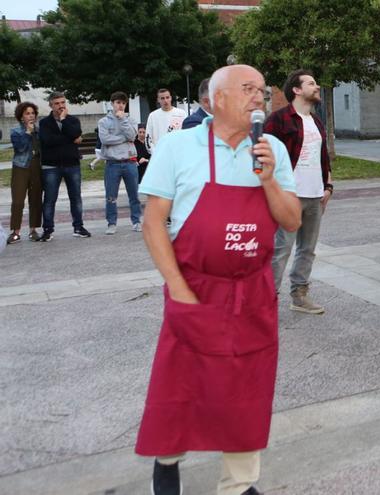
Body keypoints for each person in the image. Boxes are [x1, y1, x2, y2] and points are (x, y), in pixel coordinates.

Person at [135, 65, 301, 495]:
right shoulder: (178, 146)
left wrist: (267, 181)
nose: (259, 98)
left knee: (247, 385)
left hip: (251, 289)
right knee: (181, 380)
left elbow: (292, 221)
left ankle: (239, 483)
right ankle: (168, 461)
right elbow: (153, 222)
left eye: (262, 91)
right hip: (195, 285)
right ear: (217, 98)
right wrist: (176, 285)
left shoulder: (272, 149)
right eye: (247, 89)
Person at [266, 69, 333, 314]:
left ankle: (300, 295)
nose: (316, 87)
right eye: (311, 83)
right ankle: (267, 299)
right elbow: (265, 157)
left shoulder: (316, 121)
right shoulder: (278, 119)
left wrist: (328, 186)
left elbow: (322, 156)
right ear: (296, 89)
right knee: (280, 250)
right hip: (288, 196)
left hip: (315, 195)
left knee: (308, 249)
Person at [38, 91, 89, 241]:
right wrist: (70, 139)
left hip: (72, 164)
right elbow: (48, 141)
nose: (60, 106)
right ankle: (47, 230)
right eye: (57, 103)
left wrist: (64, 120)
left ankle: (78, 227)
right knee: (49, 199)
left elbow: (76, 133)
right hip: (51, 166)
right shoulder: (44, 123)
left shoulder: (72, 120)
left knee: (76, 197)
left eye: (62, 103)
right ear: (50, 105)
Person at [98, 91, 142, 234]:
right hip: (112, 163)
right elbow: (105, 140)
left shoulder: (131, 120)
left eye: (123, 103)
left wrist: (123, 121)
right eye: (118, 103)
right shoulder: (103, 122)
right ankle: (111, 223)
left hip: (129, 162)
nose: (120, 106)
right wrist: (124, 139)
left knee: (134, 195)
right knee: (111, 195)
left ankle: (136, 221)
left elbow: (132, 135)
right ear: (112, 104)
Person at [8, 102, 43, 244]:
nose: (31, 116)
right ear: (21, 117)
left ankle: (33, 230)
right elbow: (20, 148)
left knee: (35, 199)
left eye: (32, 113)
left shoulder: (40, 130)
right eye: (27, 113)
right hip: (20, 167)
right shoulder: (16, 131)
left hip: (37, 166)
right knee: (17, 200)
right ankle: (15, 232)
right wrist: (28, 132)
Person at [145, 88, 186, 152]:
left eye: (167, 97)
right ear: (158, 100)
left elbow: (186, 134)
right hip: (160, 155)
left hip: (178, 154)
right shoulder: (152, 116)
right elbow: (148, 137)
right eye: (162, 98)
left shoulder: (181, 113)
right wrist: (155, 153)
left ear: (171, 98)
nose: (165, 100)